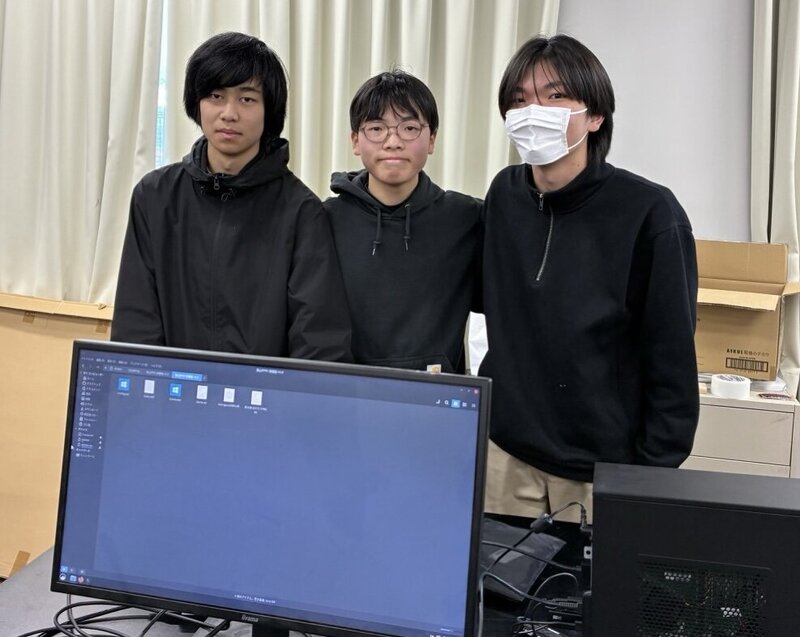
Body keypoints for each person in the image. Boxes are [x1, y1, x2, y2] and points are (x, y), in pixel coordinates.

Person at [479, 34, 699, 523]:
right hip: (504, 455)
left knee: (589, 578)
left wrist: (649, 477)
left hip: (600, 471)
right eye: (519, 99)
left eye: (555, 96)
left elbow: (672, 358)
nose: (533, 112)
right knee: (495, 575)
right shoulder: (504, 195)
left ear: (595, 115)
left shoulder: (650, 213)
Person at [111, 32, 351, 360]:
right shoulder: (155, 197)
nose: (229, 113)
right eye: (215, 96)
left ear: (269, 110)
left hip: (265, 390)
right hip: (173, 385)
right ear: (196, 103)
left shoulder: (300, 211)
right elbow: (136, 321)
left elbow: (317, 339)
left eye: (247, 99)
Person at [323, 70, 482, 372]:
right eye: (376, 128)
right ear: (355, 140)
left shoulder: (467, 218)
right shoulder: (324, 220)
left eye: (409, 128)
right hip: (347, 389)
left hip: (436, 393)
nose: (393, 142)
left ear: (432, 139)